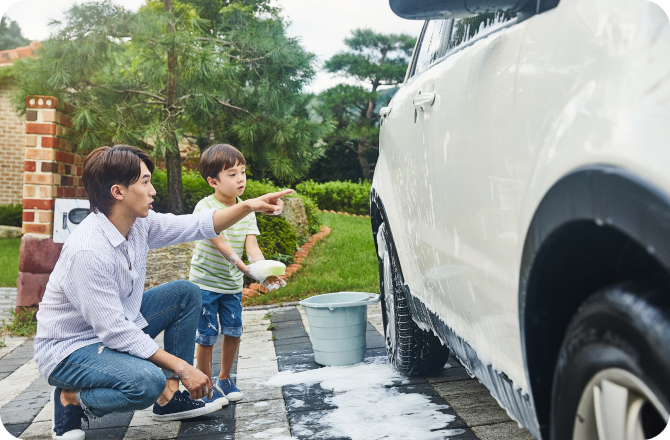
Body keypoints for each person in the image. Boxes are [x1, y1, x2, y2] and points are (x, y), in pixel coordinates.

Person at [33, 145, 292, 440]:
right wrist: (183, 367)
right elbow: (114, 331)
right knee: (146, 382)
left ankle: (169, 399)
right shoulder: (88, 250)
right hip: (70, 349)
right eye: (145, 182)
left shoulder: (139, 223)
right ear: (118, 192)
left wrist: (249, 205)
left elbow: (197, 224)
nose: (153, 190)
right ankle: (72, 398)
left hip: (115, 327)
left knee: (185, 292)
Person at [189, 144, 286, 408]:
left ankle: (225, 380)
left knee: (233, 331)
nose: (240, 178)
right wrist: (246, 270)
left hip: (231, 285)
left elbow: (252, 247)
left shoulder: (246, 209)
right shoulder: (205, 208)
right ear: (213, 181)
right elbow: (222, 245)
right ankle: (206, 383)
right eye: (232, 174)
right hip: (205, 285)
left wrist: (264, 272)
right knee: (206, 336)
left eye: (242, 172)